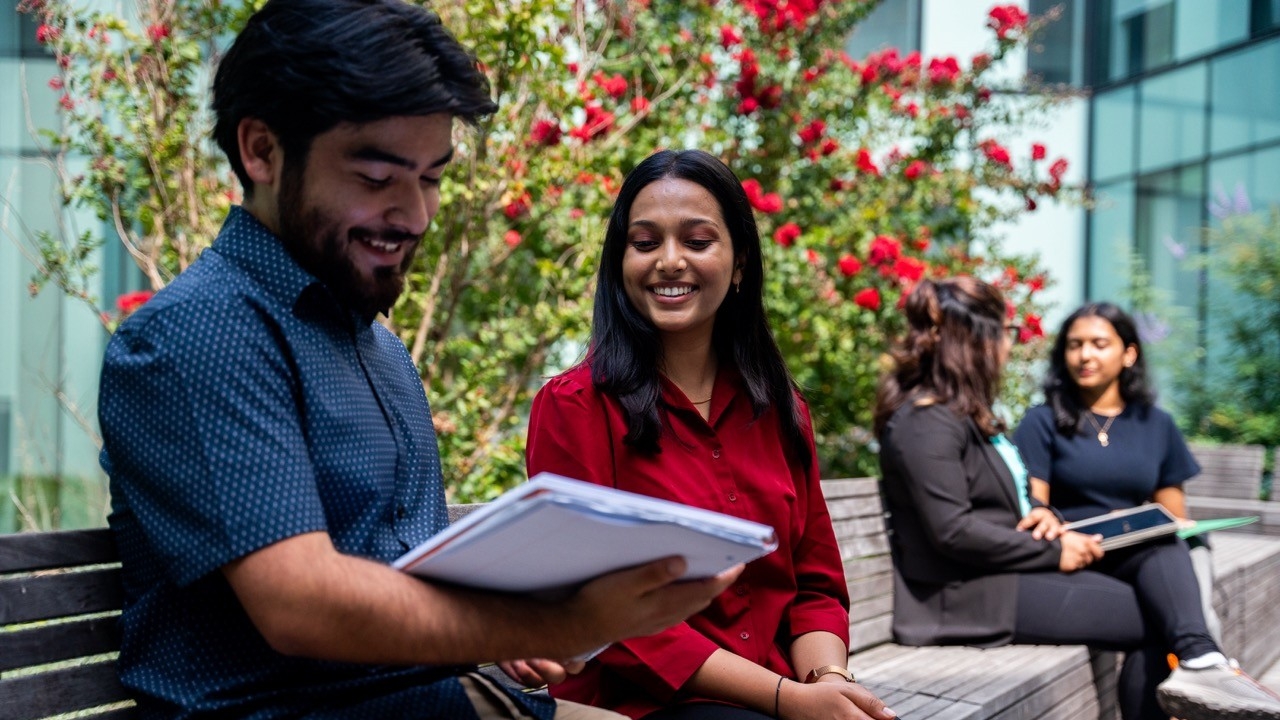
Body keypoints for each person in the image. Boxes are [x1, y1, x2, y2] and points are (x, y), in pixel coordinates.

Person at [96, 3, 740, 718]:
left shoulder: (378, 348)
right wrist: (558, 622)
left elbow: (404, 578)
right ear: (262, 151)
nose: (416, 213)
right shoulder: (200, 335)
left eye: (431, 178)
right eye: (378, 178)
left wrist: (501, 632)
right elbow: (299, 604)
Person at [522, 149, 894, 720]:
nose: (669, 261)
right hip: (640, 707)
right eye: (645, 243)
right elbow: (608, 614)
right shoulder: (574, 408)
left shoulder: (779, 408)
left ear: (740, 262)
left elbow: (815, 589)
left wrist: (830, 684)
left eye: (697, 242)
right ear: (620, 262)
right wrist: (789, 699)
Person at [872, 277, 1280, 720]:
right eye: (1005, 335)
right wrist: (1052, 548)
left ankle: (1202, 659)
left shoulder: (961, 417)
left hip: (1000, 574)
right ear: (976, 341)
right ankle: (1202, 660)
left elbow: (997, 508)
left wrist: (1040, 517)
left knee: (1160, 552)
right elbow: (952, 531)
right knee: (1159, 620)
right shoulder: (926, 422)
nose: (1008, 349)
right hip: (963, 598)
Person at [1013, 302, 1280, 720]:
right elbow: (1037, 505)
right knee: (1165, 586)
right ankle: (1202, 658)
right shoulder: (1042, 421)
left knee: (1170, 553)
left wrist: (1180, 525)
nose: (1085, 355)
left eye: (1100, 344)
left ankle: (1198, 659)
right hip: (1076, 556)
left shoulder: (1156, 424)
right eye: (1075, 345)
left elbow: (1173, 512)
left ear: (1129, 353)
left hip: (1139, 556)